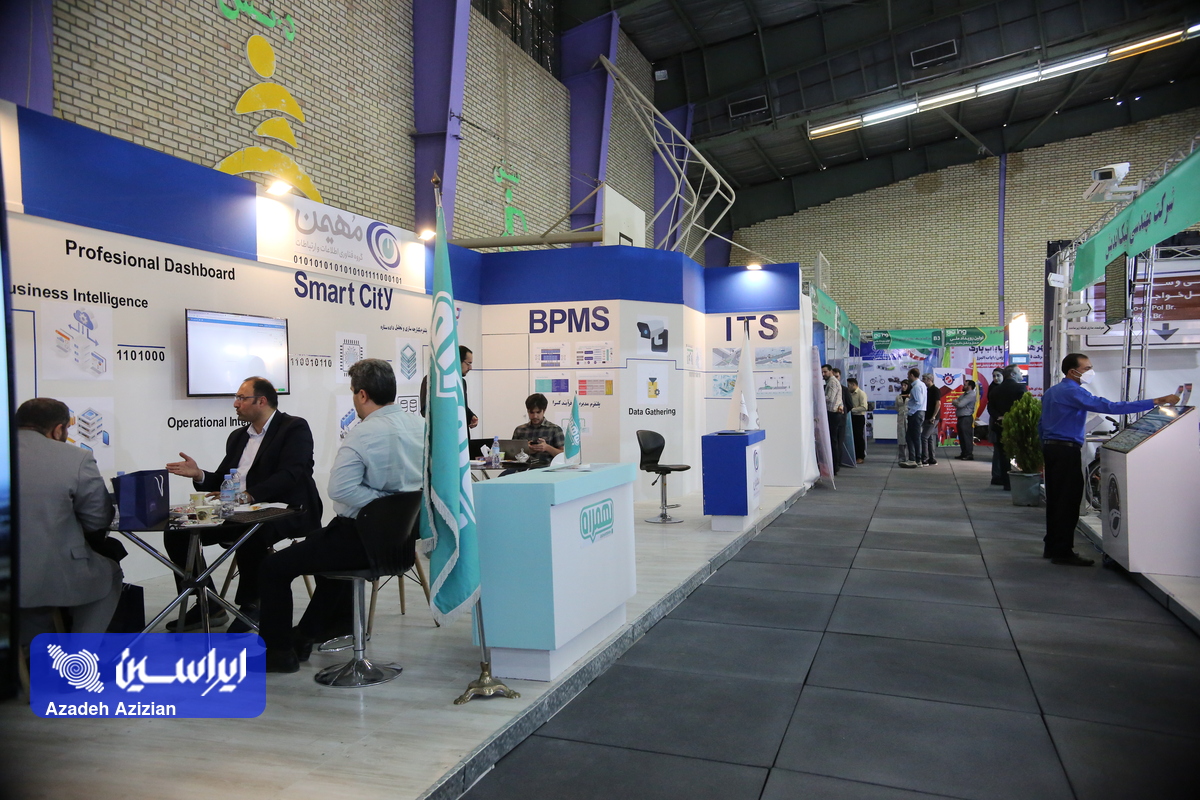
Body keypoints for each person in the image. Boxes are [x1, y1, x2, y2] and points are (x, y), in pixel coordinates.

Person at [258, 358, 424, 672]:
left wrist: (381, 505)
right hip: (402, 543)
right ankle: (310, 632)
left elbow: (341, 489)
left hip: (361, 539)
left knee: (273, 567)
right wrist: (393, 506)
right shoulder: (421, 426)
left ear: (362, 394)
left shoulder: (364, 433)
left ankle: (278, 654)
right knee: (319, 543)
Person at [165, 377, 322, 631]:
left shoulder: (293, 428)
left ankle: (253, 604)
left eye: (241, 398)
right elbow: (224, 480)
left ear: (261, 401)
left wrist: (249, 495)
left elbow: (290, 475)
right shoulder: (238, 437)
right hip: (239, 510)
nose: (235, 404)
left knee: (251, 530)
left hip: (287, 509)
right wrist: (199, 474)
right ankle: (207, 602)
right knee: (178, 532)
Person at [1039, 353, 1178, 566]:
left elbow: (1041, 424)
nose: (1091, 372)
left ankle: (1053, 546)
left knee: (1056, 500)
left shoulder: (1052, 392)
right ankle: (1063, 551)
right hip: (1066, 451)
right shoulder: (1073, 391)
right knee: (1068, 501)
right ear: (1072, 372)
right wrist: (1155, 402)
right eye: (1086, 368)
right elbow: (1110, 407)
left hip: (1053, 449)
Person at [15, 398, 123, 643]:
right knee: (109, 573)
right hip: (47, 572)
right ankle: (79, 656)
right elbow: (97, 520)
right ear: (58, 429)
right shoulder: (76, 458)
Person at [986, 365, 1026, 490]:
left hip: (1000, 426)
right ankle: (1022, 481)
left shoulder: (995, 390)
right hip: (1017, 426)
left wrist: (999, 417)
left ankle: (1006, 482)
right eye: (1019, 372)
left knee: (1003, 455)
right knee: (1021, 453)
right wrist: (1011, 417)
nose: (1021, 374)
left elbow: (990, 407)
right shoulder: (1020, 388)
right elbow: (1023, 406)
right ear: (1012, 375)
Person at [420, 345, 477, 429]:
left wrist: (471, 416)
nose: (470, 368)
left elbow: (461, 407)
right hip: (441, 431)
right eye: (468, 363)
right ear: (457, 361)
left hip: (461, 432)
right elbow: (425, 410)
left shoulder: (462, 382)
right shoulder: (431, 380)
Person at [512, 393, 564, 468]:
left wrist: (547, 447)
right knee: (505, 474)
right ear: (527, 411)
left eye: (538, 412)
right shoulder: (520, 430)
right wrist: (526, 450)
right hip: (523, 469)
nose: (535, 416)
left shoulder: (555, 429)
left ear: (544, 411)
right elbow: (511, 454)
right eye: (531, 412)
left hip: (546, 469)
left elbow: (563, 455)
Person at [821, 364, 845, 475]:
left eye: (825, 372)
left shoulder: (832, 382)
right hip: (833, 413)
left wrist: (817, 396)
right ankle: (833, 466)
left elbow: (830, 398)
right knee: (832, 440)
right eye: (822, 372)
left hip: (832, 414)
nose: (823, 374)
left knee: (832, 441)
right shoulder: (832, 382)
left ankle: (834, 466)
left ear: (830, 371)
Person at [901, 367, 926, 467]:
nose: (907, 377)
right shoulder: (922, 385)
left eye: (908, 375)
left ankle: (916, 460)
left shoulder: (916, 387)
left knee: (914, 437)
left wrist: (910, 412)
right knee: (911, 437)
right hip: (919, 413)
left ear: (912, 375)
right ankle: (913, 459)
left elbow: (918, 402)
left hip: (916, 413)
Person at [953, 379, 978, 460]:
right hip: (962, 417)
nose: (963, 386)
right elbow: (955, 401)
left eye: (965, 385)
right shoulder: (965, 394)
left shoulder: (971, 395)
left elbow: (960, 404)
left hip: (966, 418)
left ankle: (968, 454)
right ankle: (963, 453)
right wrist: (956, 402)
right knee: (962, 436)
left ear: (969, 386)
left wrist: (957, 402)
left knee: (966, 437)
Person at [847, 377, 868, 463]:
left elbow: (864, 407)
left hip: (858, 417)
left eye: (848, 385)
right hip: (851, 417)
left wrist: (851, 410)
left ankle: (860, 456)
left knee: (858, 437)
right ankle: (854, 455)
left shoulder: (861, 393)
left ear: (853, 385)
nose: (848, 387)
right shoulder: (849, 393)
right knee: (852, 437)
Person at [921, 373, 940, 466]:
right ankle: (932, 458)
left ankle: (924, 458)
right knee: (930, 438)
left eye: (924, 379)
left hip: (932, 417)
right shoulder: (927, 390)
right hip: (927, 416)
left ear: (929, 379)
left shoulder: (935, 390)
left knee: (924, 437)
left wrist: (934, 416)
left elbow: (938, 404)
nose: (923, 381)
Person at [896, 379, 911, 463]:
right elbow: (896, 407)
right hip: (901, 417)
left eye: (905, 385)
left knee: (910, 437)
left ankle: (911, 456)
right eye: (902, 385)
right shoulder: (898, 397)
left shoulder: (911, 396)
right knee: (901, 437)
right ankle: (902, 457)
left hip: (909, 417)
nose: (903, 387)